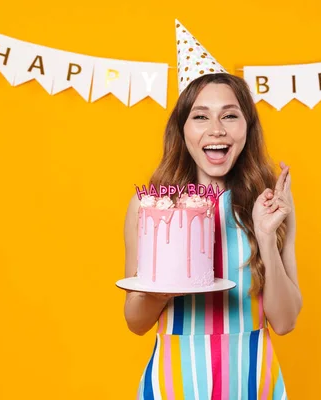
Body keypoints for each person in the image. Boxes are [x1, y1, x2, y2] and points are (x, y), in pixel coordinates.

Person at [123, 71, 302, 399]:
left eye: (230, 115)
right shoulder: (150, 206)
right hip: (172, 385)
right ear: (182, 129)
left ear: (248, 127)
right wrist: (163, 290)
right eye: (200, 116)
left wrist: (265, 237)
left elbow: (285, 322)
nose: (216, 129)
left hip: (253, 384)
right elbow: (136, 323)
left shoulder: (271, 205)